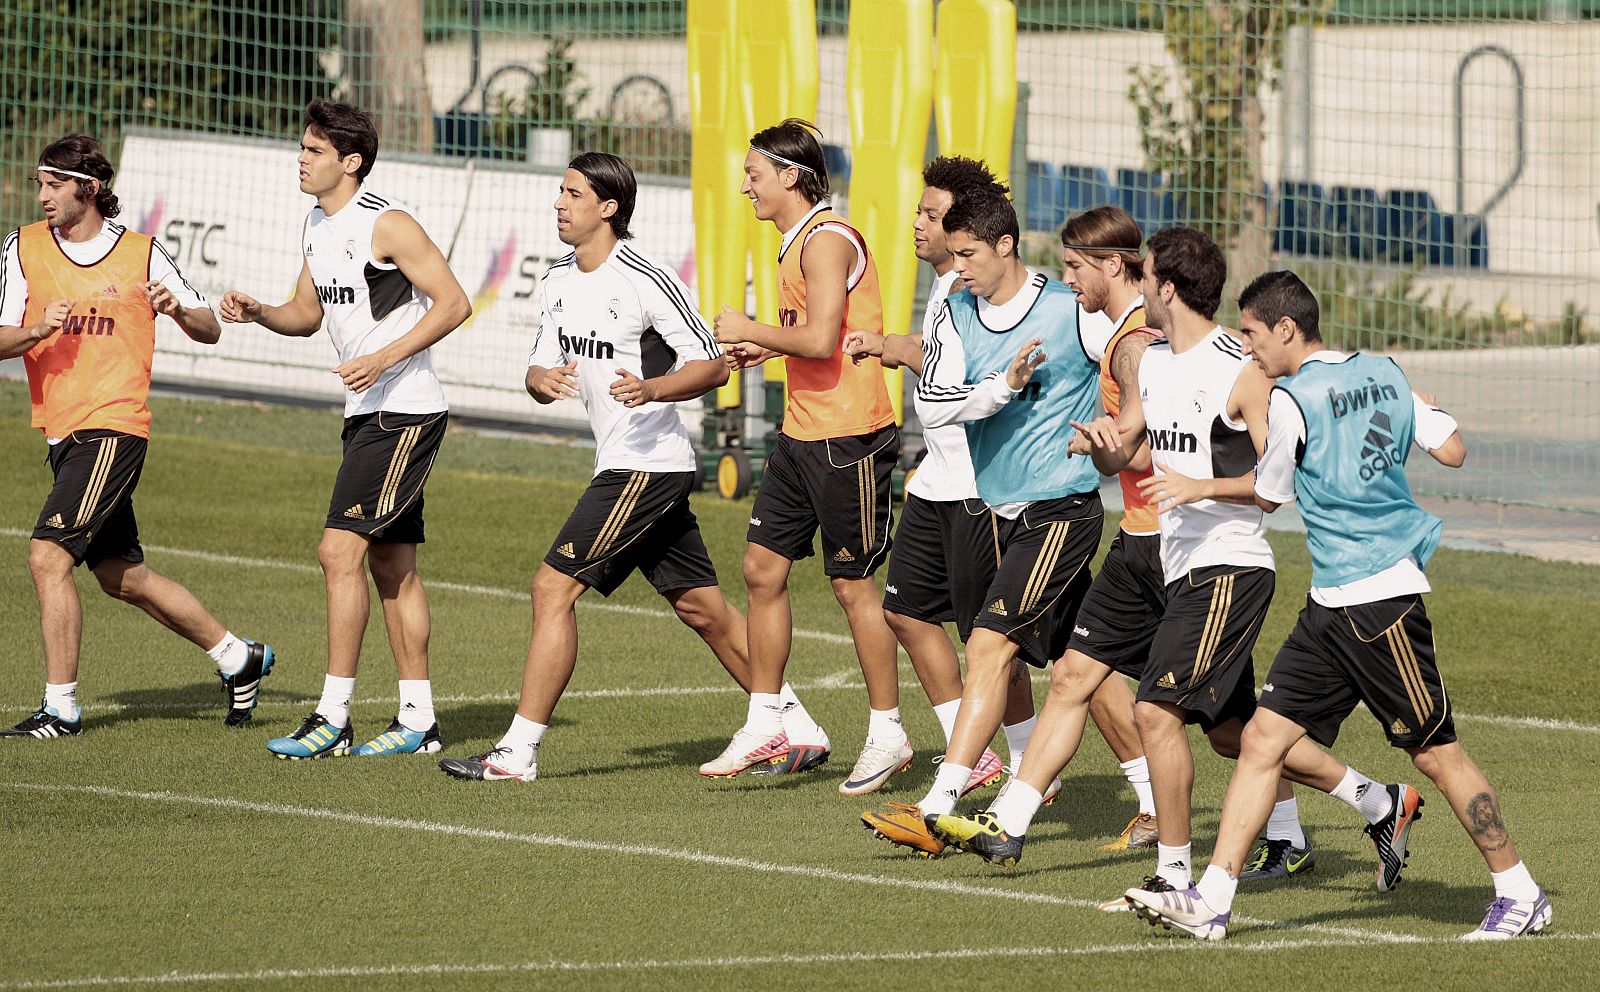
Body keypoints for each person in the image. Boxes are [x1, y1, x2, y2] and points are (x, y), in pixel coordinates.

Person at [937, 228, 1397, 906]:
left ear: (1169, 288)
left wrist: (1200, 487)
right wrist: (1099, 448)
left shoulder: (1240, 369)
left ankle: (1177, 873)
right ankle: (1008, 826)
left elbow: (1280, 480)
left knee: (1162, 716)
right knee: (1096, 684)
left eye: (1146, 277)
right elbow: (1127, 451)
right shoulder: (1150, 363)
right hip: (1157, 558)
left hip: (1228, 569)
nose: (1138, 288)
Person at [1126, 269, 1550, 941]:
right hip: (1330, 606)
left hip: (1379, 600)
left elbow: (1270, 492)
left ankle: (1520, 893)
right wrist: (1406, 415)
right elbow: (1454, 449)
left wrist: (1199, 483)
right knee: (1263, 739)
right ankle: (1211, 900)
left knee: (1436, 753)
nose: (1248, 345)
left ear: (1287, 329)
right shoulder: (1383, 371)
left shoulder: (1292, 399)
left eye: (1253, 333)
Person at [436, 153, 813, 782]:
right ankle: (797, 729)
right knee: (704, 611)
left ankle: (517, 753)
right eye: (560, 191)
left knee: (552, 588)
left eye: (573, 193)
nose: (559, 202)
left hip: (648, 466)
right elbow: (537, 366)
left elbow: (713, 366)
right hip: (622, 461)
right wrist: (542, 380)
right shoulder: (557, 276)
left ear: (608, 208)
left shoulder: (645, 275)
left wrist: (654, 389)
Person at [844, 182, 1154, 829]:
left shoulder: (1071, 309)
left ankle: (940, 804)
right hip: (997, 513)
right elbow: (934, 404)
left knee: (988, 645)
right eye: (953, 255)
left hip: (1062, 511)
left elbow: (1136, 355)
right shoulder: (957, 311)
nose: (958, 268)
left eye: (969, 254)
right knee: (1080, 663)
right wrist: (1000, 389)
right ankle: (1152, 798)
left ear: (1006, 245)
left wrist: (1130, 424)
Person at [0, 135, 274, 738]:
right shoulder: (22, 248)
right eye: (39, 185)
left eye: (53, 185)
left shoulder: (145, 253)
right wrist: (34, 331)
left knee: (47, 557)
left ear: (87, 189)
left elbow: (209, 328)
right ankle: (238, 657)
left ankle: (61, 709)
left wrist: (175, 307)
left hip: (114, 427)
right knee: (119, 574)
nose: (42, 196)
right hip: (61, 433)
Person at [220, 99, 470, 759]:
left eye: (313, 150)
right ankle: (418, 722)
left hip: (405, 409)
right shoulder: (314, 223)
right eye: (302, 148)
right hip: (367, 414)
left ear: (350, 161)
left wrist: (384, 358)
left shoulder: (387, 225)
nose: (300, 159)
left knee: (339, 553)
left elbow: (455, 303)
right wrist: (261, 311)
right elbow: (306, 313)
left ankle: (332, 717)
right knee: (393, 566)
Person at [703, 119, 902, 789]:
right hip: (800, 433)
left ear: (791, 177)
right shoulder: (795, 242)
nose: (744, 187)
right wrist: (766, 345)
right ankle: (767, 720)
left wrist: (749, 329)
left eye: (754, 175)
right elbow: (811, 335)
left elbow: (821, 340)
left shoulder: (825, 241)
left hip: (848, 436)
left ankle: (888, 732)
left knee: (852, 586)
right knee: (761, 569)